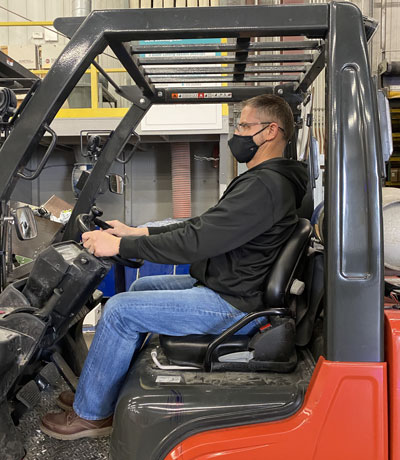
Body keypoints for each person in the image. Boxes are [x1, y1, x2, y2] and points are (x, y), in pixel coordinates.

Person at [40, 94, 308, 440]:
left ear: (271, 131)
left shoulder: (266, 185)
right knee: (137, 290)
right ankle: (101, 391)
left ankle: (93, 415)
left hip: (235, 305)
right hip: (230, 287)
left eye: (244, 125)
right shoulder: (266, 180)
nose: (236, 134)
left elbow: (198, 241)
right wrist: (140, 231)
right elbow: (205, 225)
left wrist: (121, 245)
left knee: (121, 310)